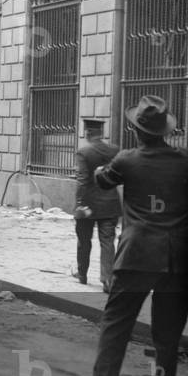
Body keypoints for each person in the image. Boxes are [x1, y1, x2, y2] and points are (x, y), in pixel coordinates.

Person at [78, 96, 188, 376]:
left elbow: (103, 181)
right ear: (166, 130)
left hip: (138, 253)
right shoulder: (185, 158)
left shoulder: (127, 160)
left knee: (117, 322)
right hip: (180, 257)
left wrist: (104, 167)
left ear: (136, 131)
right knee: (168, 330)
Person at [73, 119, 121, 292]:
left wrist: (80, 204)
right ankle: (108, 280)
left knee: (84, 240)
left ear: (87, 133)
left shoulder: (84, 152)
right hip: (110, 204)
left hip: (88, 205)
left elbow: (83, 181)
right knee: (108, 241)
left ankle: (82, 274)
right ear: (101, 133)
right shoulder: (114, 150)